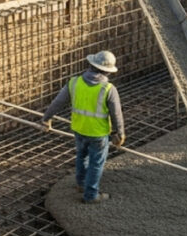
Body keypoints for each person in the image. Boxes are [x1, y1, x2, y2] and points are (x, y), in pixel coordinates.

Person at [41, 51, 125, 204]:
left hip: (79, 129)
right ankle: (91, 195)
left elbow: (57, 103)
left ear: (91, 65)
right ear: (107, 71)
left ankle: (81, 184)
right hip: (98, 134)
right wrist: (120, 133)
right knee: (96, 164)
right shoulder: (108, 88)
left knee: (82, 156)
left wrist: (46, 118)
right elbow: (116, 114)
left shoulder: (74, 82)